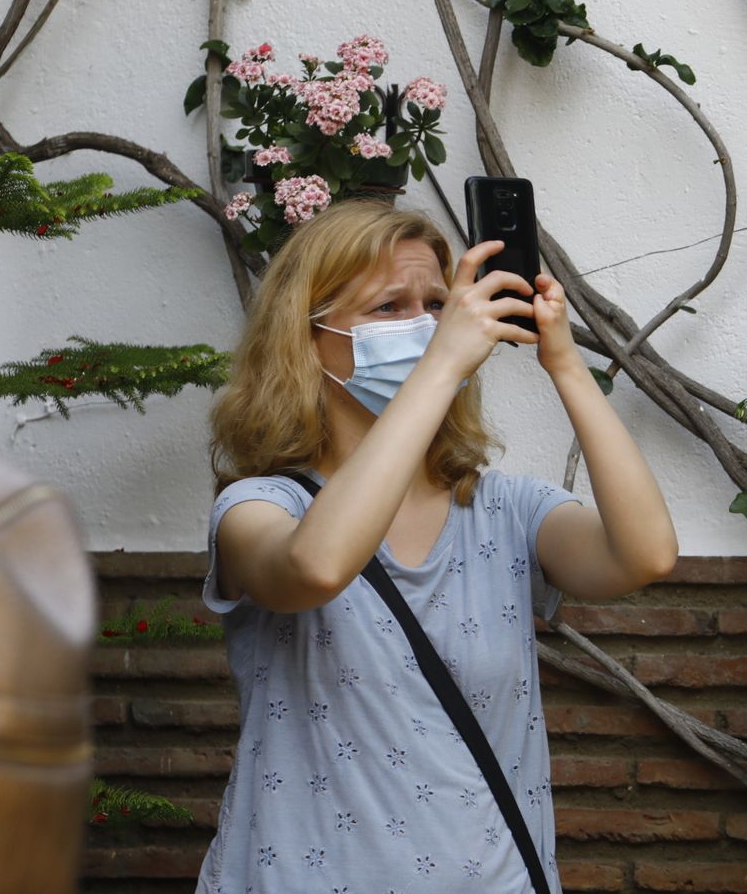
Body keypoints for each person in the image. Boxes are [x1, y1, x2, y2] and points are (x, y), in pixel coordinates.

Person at [194, 199, 678, 894]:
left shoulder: (504, 509)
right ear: (307, 339)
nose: (425, 327)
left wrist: (566, 365)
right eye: (389, 307)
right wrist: (440, 367)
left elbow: (645, 555)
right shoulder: (261, 508)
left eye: (435, 304)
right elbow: (318, 566)